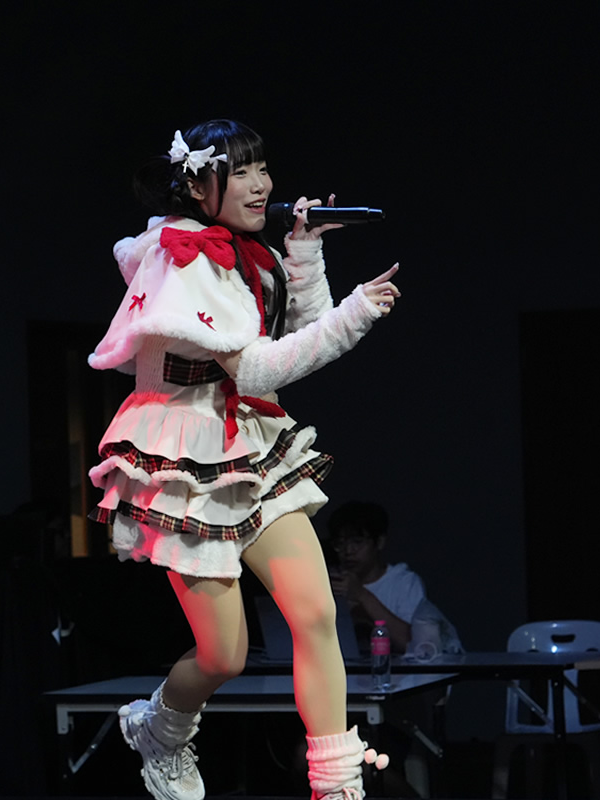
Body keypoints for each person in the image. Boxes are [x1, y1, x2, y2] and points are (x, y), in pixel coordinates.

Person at [88, 120, 398, 800]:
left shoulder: (244, 255)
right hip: (182, 457)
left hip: (249, 443)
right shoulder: (181, 259)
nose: (263, 184)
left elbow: (295, 339)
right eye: (243, 171)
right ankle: (161, 729)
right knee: (223, 654)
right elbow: (257, 368)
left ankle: (336, 785)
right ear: (198, 186)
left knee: (316, 615)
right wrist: (355, 315)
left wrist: (305, 254)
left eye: (263, 168)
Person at [327, 501, 462, 655]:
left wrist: (362, 595)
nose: (348, 551)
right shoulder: (330, 581)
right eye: (340, 543)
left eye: (357, 542)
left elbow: (414, 645)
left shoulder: (404, 582)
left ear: (379, 542)